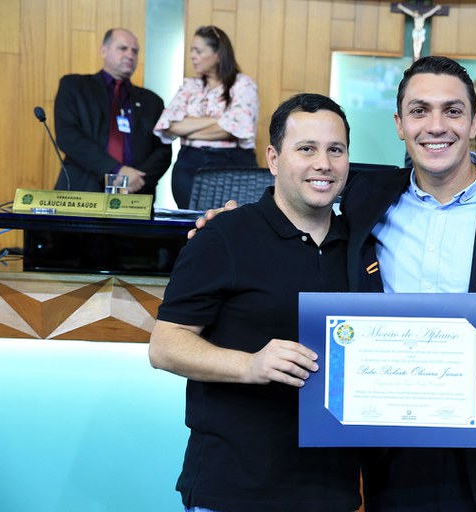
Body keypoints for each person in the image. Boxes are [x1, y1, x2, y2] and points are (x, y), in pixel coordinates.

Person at [192, 56, 476, 511]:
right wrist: (232, 224)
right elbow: (300, 193)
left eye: (452, 111)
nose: (436, 125)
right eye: (419, 110)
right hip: (393, 461)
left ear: (473, 122)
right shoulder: (367, 195)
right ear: (400, 124)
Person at [149, 93, 360, 511]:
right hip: (232, 489)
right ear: (274, 159)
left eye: (335, 150)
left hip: (330, 492)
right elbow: (165, 345)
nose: (323, 163)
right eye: (306, 149)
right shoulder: (224, 235)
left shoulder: (364, 244)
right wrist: (251, 365)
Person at [53, 28, 172, 194]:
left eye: (135, 51)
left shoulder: (152, 101)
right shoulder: (75, 86)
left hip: (135, 195)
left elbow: (163, 151)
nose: (130, 55)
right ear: (104, 51)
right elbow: (68, 136)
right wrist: (116, 170)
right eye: (123, 48)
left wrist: (136, 180)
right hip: (83, 191)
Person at [155, 25, 259, 208]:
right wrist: (218, 120)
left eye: (198, 51)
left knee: (230, 219)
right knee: (191, 220)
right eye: (191, 50)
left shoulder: (243, 85)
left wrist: (188, 131)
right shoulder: (190, 85)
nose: (192, 56)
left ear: (218, 54)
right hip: (189, 163)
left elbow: (235, 129)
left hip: (231, 163)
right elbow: (170, 125)